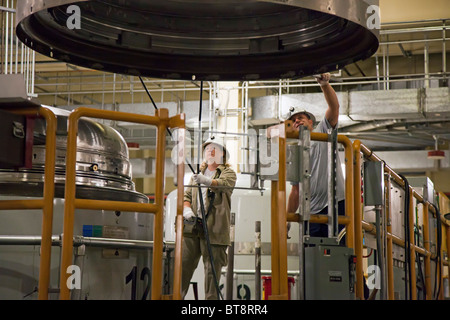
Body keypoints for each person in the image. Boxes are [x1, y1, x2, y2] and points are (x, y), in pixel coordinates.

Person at [286, 73, 346, 242]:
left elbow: (334, 108)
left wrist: (325, 85)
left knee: (340, 252)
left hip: (336, 204)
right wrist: (288, 219)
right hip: (310, 210)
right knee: (311, 255)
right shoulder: (294, 152)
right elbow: (295, 191)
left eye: (301, 118)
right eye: (293, 121)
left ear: (311, 123)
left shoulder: (322, 131)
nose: (297, 122)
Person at [181, 136, 237, 300]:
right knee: (182, 270)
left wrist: (205, 180)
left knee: (212, 275)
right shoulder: (195, 176)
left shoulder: (228, 173)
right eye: (207, 148)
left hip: (215, 231)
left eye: (215, 148)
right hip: (193, 228)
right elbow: (187, 196)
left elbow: (224, 184)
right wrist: (186, 210)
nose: (210, 151)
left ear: (223, 154)